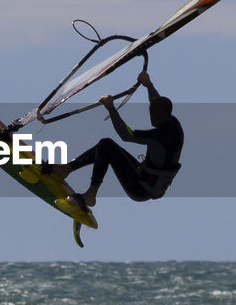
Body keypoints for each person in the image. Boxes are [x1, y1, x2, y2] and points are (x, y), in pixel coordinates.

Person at [46, 71, 183, 209]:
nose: (151, 118)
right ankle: (67, 168)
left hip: (141, 189)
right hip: (143, 176)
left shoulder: (159, 136)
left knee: (106, 146)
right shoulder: (173, 123)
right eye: (151, 113)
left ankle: (90, 195)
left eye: (154, 116)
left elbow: (127, 135)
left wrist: (111, 108)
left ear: (161, 116)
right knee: (105, 145)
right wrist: (148, 85)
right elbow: (157, 102)